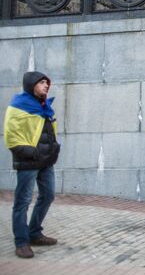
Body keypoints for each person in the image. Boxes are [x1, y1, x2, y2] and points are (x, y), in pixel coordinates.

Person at [4, 71, 61, 259]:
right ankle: (21, 242)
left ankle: (34, 232)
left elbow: (49, 132)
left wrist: (54, 150)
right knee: (23, 201)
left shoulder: (45, 107)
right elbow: (11, 137)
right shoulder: (18, 106)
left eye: (47, 83)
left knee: (48, 195)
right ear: (31, 84)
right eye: (42, 83)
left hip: (46, 161)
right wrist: (32, 153)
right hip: (29, 161)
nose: (46, 86)